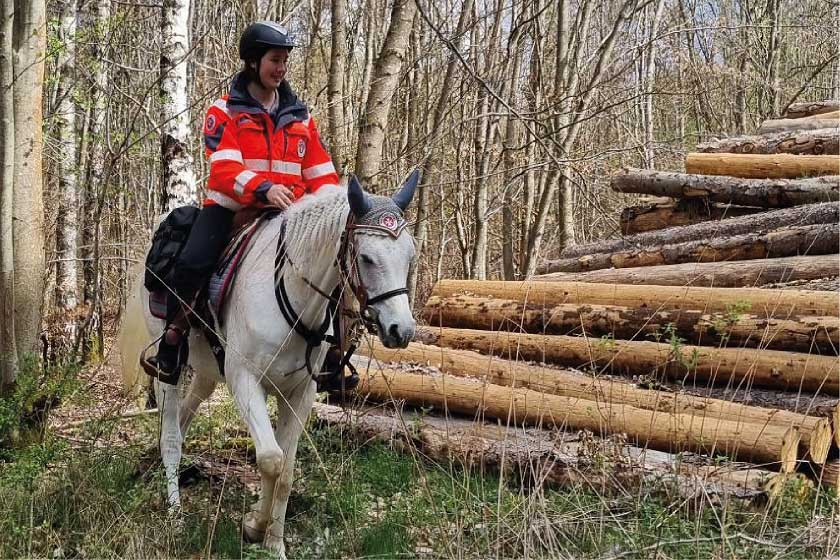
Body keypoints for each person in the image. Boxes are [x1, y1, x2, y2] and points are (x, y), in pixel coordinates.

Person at [143, 21, 350, 390]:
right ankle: (172, 341)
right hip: (232, 209)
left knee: (333, 265)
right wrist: (264, 188)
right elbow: (224, 168)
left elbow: (321, 174)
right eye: (275, 59)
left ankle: (333, 354)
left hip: (291, 216)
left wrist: (336, 209)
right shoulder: (223, 111)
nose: (281, 68)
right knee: (192, 262)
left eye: (285, 60)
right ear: (253, 62)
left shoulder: (301, 118)